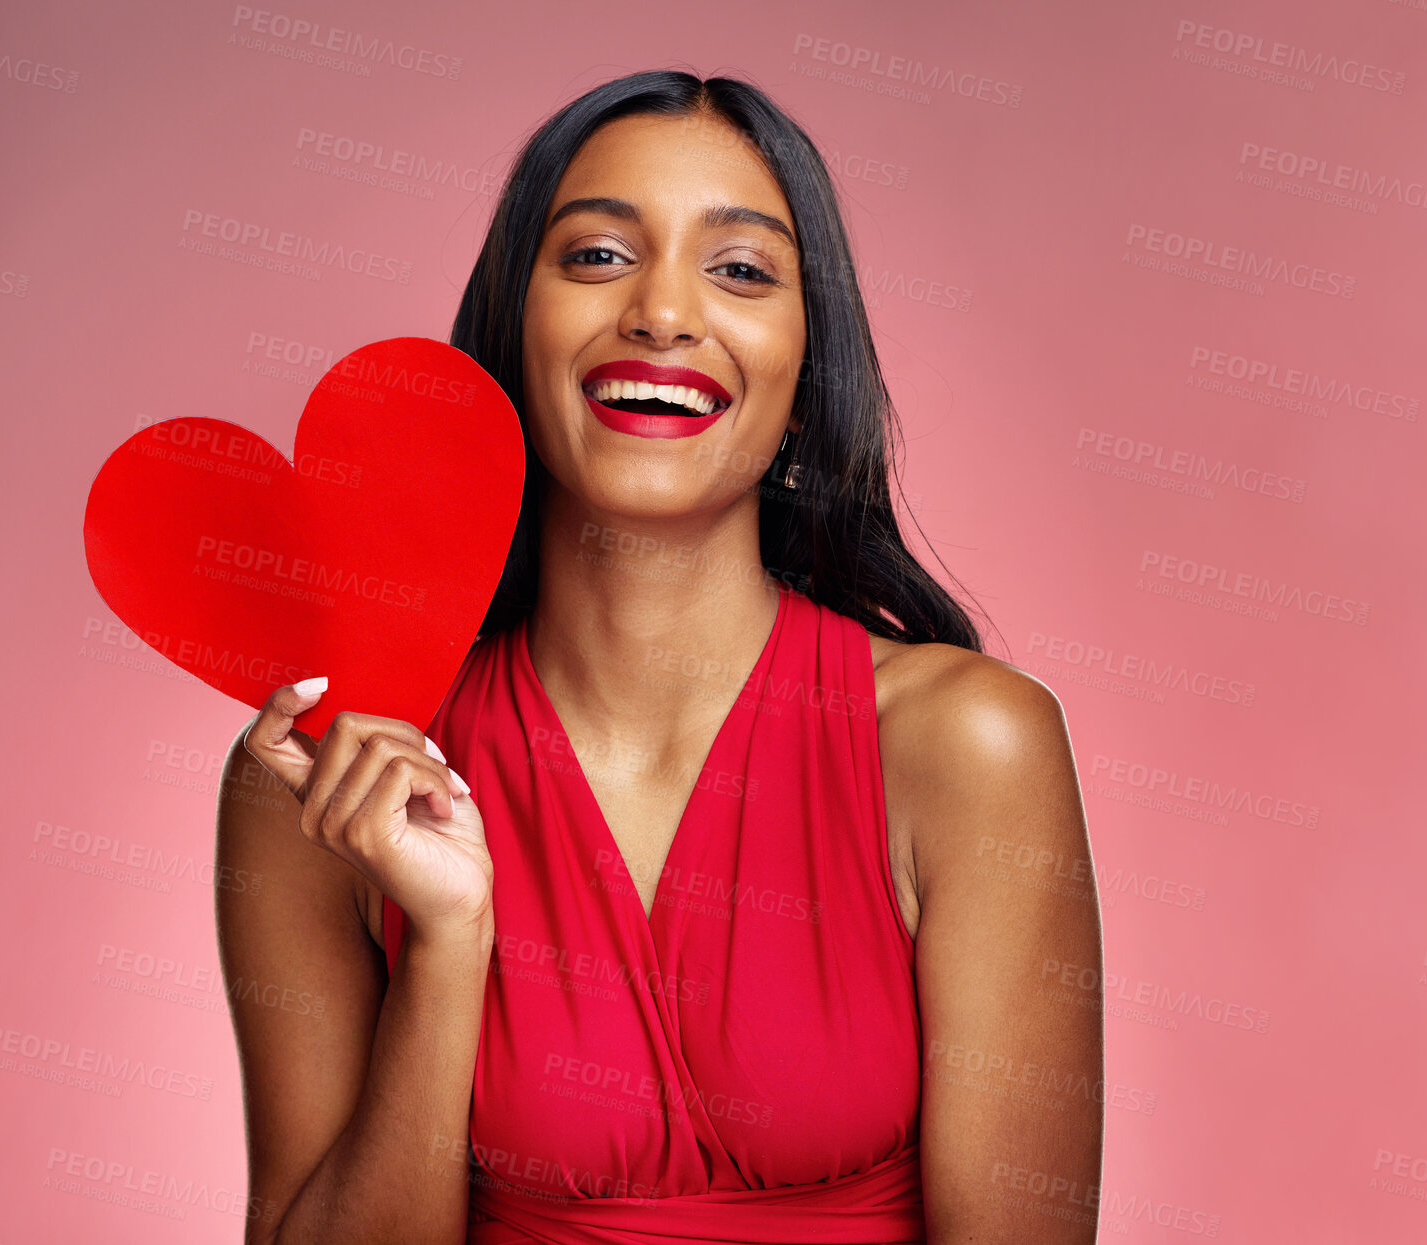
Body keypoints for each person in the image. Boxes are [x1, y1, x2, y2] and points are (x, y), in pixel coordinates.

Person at [215, 68, 1103, 1245]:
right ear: (509, 333)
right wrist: (446, 949)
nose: (662, 313)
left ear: (804, 375)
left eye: (739, 269)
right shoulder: (324, 773)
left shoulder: (968, 745)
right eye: (595, 257)